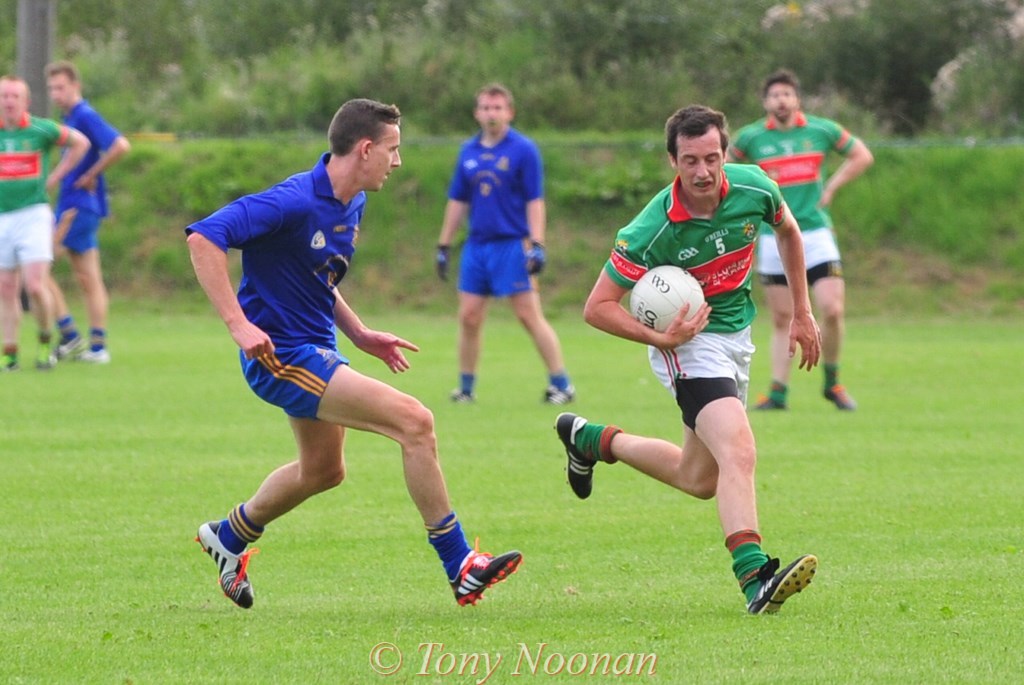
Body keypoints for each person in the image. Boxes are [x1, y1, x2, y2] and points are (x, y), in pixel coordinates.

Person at [186, 98, 521, 609]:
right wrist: (238, 323)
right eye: (393, 149)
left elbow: (315, 273)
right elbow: (204, 237)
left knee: (323, 471)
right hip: (281, 355)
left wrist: (359, 332)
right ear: (365, 149)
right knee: (415, 421)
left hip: (319, 345)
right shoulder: (292, 201)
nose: (399, 160)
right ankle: (461, 565)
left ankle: (227, 537)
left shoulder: (352, 201)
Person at [555, 105, 821, 615]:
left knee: (699, 478)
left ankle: (591, 439)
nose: (703, 172)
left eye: (712, 158)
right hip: (688, 347)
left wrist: (801, 312)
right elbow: (597, 308)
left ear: (725, 154)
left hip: (736, 338)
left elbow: (788, 232)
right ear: (673, 161)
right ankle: (754, 576)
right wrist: (662, 338)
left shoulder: (755, 189)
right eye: (690, 160)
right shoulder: (652, 229)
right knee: (739, 450)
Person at [730, 69, 874, 410]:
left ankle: (833, 383)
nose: (781, 100)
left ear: (797, 99)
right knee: (782, 318)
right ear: (765, 102)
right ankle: (778, 391)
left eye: (787, 94)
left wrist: (832, 187)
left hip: (815, 232)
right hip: (772, 237)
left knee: (833, 310)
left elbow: (862, 155)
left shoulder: (820, 130)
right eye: (774, 95)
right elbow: (723, 170)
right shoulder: (751, 138)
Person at [435, 83, 574, 404]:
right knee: (469, 316)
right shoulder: (467, 151)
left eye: (497, 108)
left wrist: (537, 243)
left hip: (512, 244)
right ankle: (466, 389)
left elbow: (534, 200)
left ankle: (562, 384)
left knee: (527, 315)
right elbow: (457, 201)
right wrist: (444, 245)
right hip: (476, 246)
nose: (491, 113)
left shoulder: (523, 150)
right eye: (485, 107)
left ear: (509, 112)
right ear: (476, 113)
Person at [0, 75, 90, 371]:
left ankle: (44, 342)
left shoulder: (40, 129)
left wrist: (56, 176)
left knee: (36, 285)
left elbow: (80, 143)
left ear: (26, 102)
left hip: (33, 215)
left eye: (14, 96)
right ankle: (9, 352)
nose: (9, 102)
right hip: (3, 217)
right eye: (4, 96)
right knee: (6, 287)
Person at [45, 61, 131, 364]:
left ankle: (70, 336)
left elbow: (120, 146)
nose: (56, 94)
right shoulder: (69, 117)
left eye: (61, 87)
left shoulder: (84, 115)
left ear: (75, 86)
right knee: (88, 277)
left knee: (40, 268)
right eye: (52, 88)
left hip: (77, 206)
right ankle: (97, 347)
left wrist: (92, 173)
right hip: (82, 205)